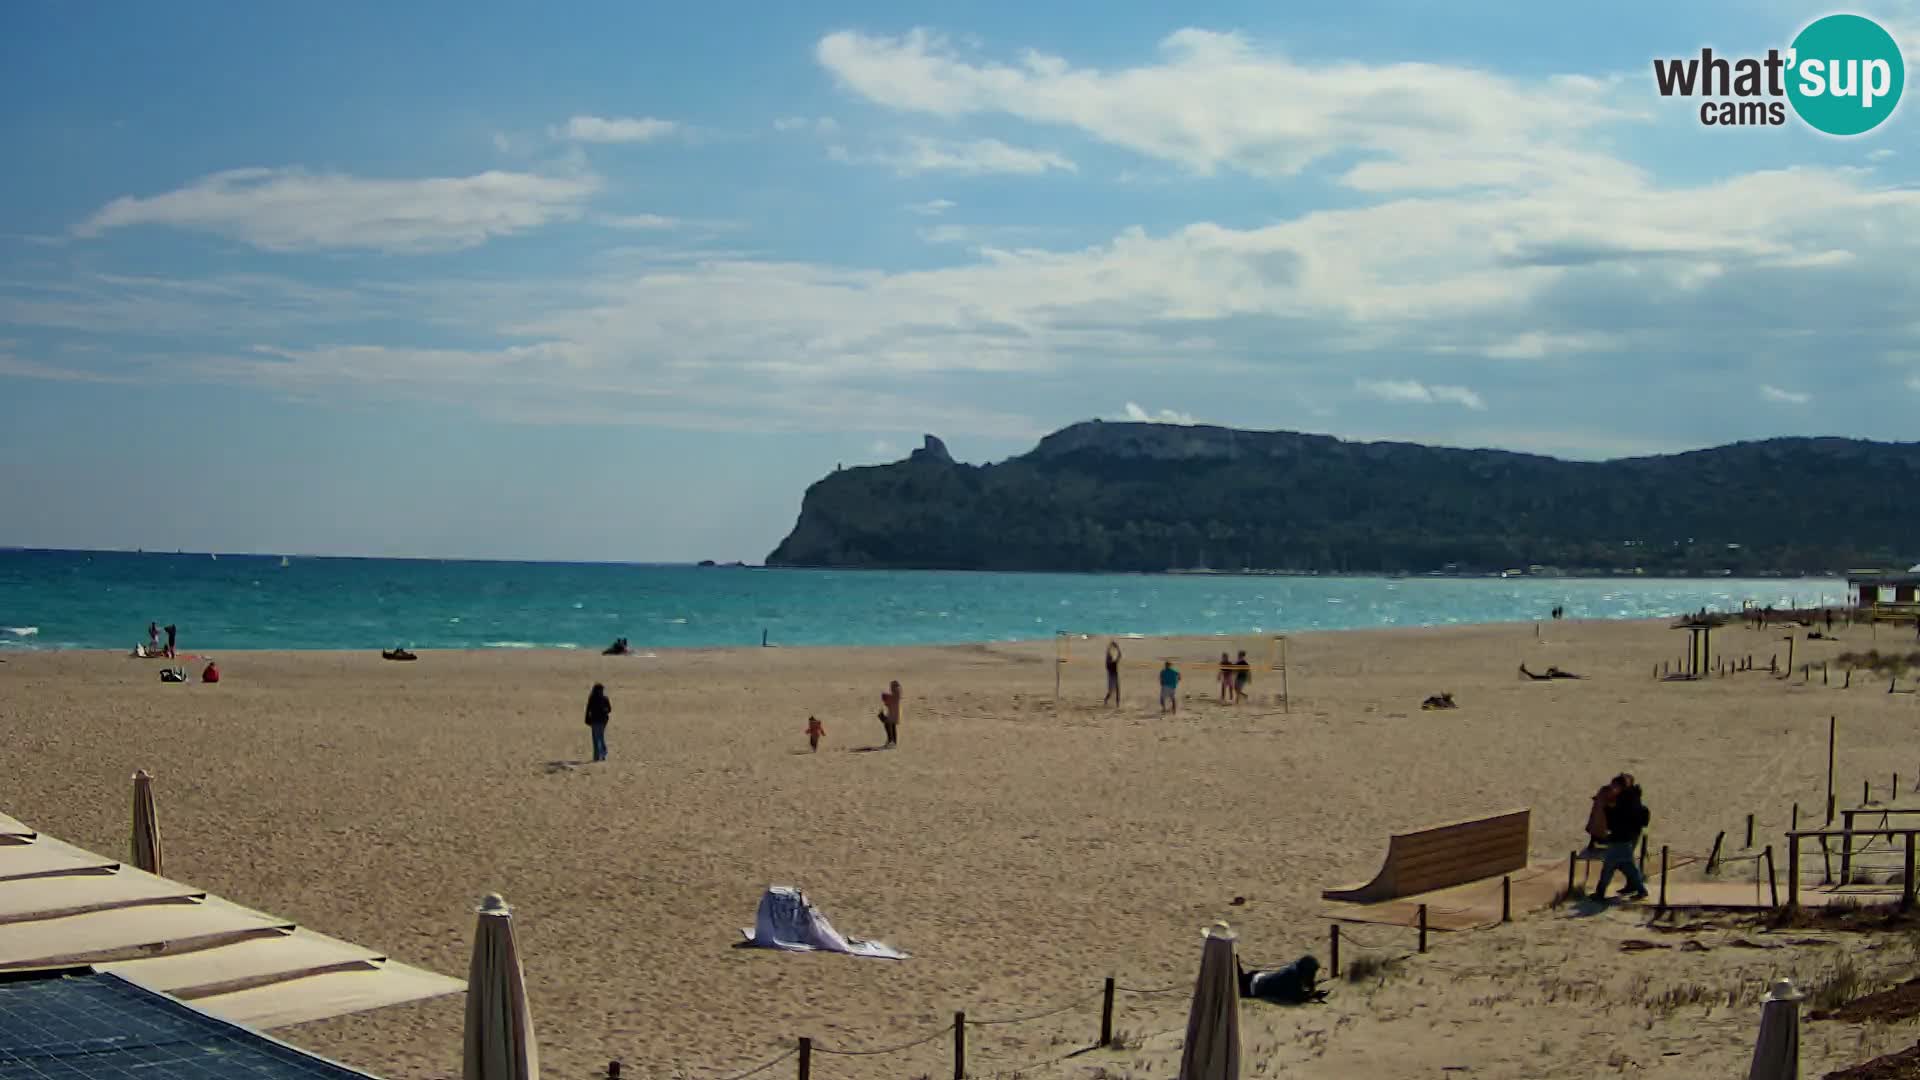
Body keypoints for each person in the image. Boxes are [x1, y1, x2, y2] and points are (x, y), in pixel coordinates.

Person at [1594, 774, 1650, 901]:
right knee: (1628, 867)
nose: (1612, 788)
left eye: (1615, 786)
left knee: (1608, 867)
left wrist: (1608, 808)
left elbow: (1618, 819)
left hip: (1621, 837)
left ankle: (1600, 893)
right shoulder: (1627, 798)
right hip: (1623, 837)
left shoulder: (1626, 801)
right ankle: (1641, 890)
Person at [584, 683, 612, 762]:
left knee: (596, 739)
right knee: (600, 737)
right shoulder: (604, 698)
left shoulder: (592, 698)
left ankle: (597, 756)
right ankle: (602, 755)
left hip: (595, 720)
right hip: (602, 721)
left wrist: (586, 719)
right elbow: (609, 709)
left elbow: (588, 709)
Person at [879, 680, 902, 748]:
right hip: (892, 713)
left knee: (889, 726)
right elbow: (889, 702)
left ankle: (892, 742)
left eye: (891, 687)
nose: (890, 688)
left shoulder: (896, 693)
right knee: (889, 726)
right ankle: (891, 741)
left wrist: (885, 697)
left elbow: (891, 699)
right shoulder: (896, 693)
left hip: (893, 714)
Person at [1103, 641, 1123, 706]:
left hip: (1114, 675)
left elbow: (1119, 656)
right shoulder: (1110, 662)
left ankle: (1117, 704)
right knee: (1111, 690)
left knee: (1116, 690)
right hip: (1112, 676)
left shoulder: (1109, 661)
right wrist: (1116, 647)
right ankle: (1106, 700)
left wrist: (1115, 647)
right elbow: (1119, 656)